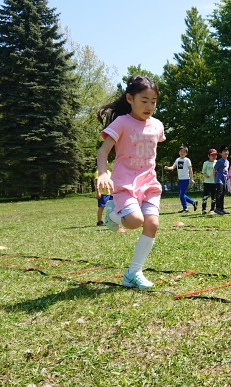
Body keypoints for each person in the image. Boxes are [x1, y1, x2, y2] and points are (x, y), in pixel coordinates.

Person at [96, 75, 164, 290]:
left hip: (150, 183)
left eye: (153, 101)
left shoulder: (157, 126)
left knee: (152, 224)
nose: (149, 106)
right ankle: (113, 213)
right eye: (144, 100)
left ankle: (133, 273)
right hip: (125, 181)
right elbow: (103, 151)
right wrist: (103, 173)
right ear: (129, 98)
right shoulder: (122, 122)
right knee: (135, 221)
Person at [164, 145, 197, 213]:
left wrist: (191, 179)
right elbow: (173, 167)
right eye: (181, 151)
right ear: (179, 152)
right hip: (180, 179)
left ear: (186, 153)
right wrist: (168, 168)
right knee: (181, 194)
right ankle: (193, 203)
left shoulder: (187, 160)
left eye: (184, 152)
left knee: (181, 195)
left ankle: (185, 208)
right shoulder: (177, 160)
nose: (182, 153)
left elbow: (190, 170)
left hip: (186, 179)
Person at [213, 146, 230, 215]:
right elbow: (214, 170)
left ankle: (222, 209)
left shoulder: (227, 161)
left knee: (222, 194)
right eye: (224, 151)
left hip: (224, 180)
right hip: (219, 180)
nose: (226, 152)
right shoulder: (219, 161)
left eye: (227, 151)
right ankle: (217, 208)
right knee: (219, 193)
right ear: (220, 153)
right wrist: (215, 179)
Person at [201, 148, 218, 214]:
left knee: (214, 197)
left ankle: (212, 209)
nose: (214, 156)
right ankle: (203, 209)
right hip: (207, 182)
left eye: (215, 155)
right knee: (205, 196)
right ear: (208, 156)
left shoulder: (217, 162)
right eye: (212, 155)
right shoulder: (206, 163)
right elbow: (203, 171)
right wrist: (206, 175)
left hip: (214, 182)